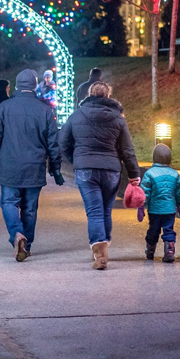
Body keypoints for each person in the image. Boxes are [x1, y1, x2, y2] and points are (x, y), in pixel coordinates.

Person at [0, 69, 63, 262]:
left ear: (16, 86)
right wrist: (56, 168)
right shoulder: (45, 110)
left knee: (9, 202)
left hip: (10, 165)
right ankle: (28, 243)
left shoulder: (4, 108)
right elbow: (53, 143)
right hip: (35, 166)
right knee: (30, 207)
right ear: (35, 86)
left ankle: (17, 234)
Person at [58, 81, 140, 270]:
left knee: (94, 212)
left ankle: (99, 251)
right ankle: (103, 245)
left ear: (89, 94)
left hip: (86, 169)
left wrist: (77, 159)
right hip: (111, 169)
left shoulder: (77, 115)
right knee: (105, 211)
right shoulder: (118, 118)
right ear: (108, 96)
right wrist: (134, 174)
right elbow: (127, 149)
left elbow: (62, 142)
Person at [140, 144, 180, 263]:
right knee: (169, 229)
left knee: (153, 229)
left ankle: (150, 250)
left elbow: (145, 192)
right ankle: (169, 250)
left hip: (154, 210)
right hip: (170, 210)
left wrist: (141, 206)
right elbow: (179, 192)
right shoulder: (175, 174)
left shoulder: (149, 174)